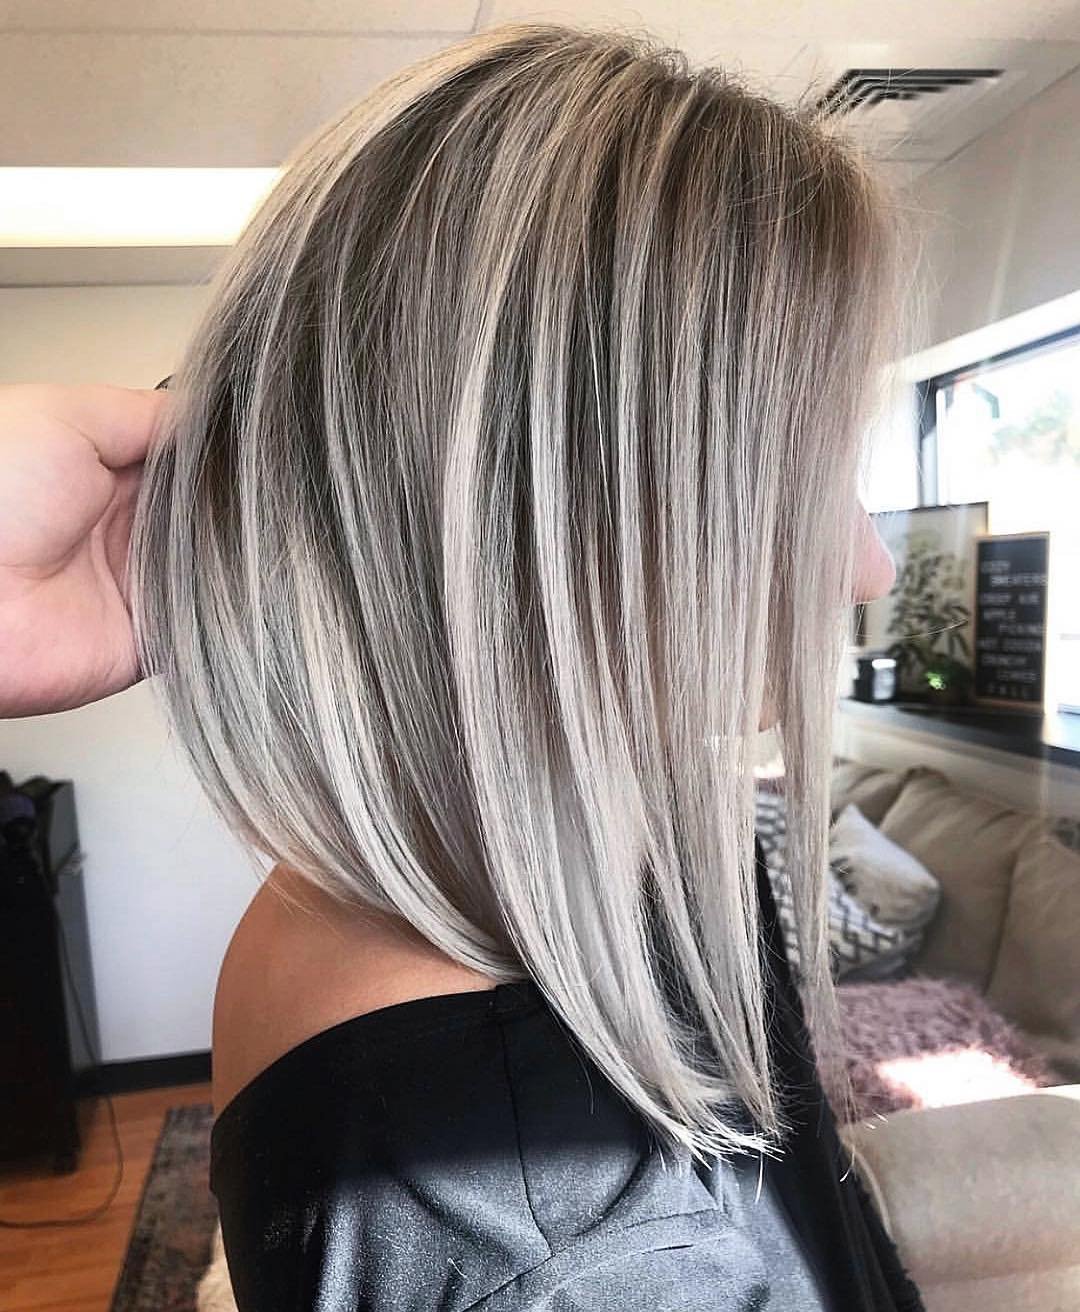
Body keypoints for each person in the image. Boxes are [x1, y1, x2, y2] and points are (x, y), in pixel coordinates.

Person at [0, 22, 923, 1311]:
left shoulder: (367, 892)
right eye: (803, 477)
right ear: (546, 515)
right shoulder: (577, 1250)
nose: (867, 569)